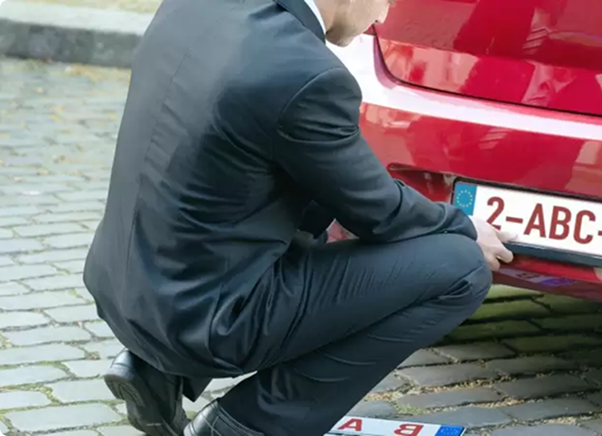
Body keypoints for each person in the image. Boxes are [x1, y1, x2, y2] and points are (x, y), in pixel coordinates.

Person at [82, 0, 514, 434]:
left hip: (123, 285)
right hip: (208, 321)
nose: (382, 17)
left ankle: (155, 369)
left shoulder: (192, 7)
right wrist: (460, 224)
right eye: (385, 1)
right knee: (461, 267)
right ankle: (249, 425)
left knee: (315, 197)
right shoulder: (304, 72)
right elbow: (378, 212)